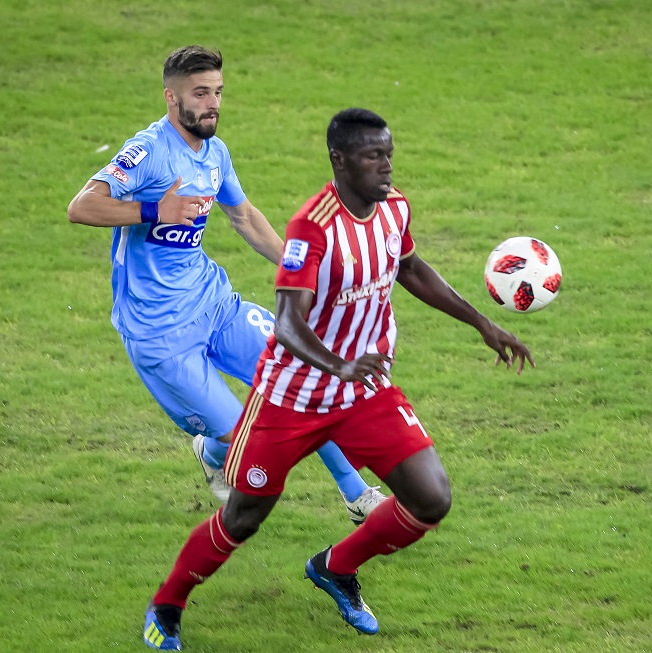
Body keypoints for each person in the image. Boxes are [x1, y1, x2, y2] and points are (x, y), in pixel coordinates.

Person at [141, 107, 534, 651]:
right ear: (340, 160)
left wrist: (481, 323)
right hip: (291, 397)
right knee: (244, 516)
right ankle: (167, 605)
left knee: (431, 498)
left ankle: (335, 567)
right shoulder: (312, 227)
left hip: (363, 392)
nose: (387, 166)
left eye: (389, 154)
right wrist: (340, 365)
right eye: (374, 156)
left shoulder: (394, 208)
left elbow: (411, 269)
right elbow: (287, 322)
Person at [66, 46, 385, 524]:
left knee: (305, 376)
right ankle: (215, 451)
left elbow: (244, 217)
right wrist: (155, 210)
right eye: (200, 93)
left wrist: (305, 270)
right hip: (161, 334)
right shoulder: (148, 152)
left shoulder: (215, 153)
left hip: (214, 305)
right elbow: (81, 207)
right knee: (253, 442)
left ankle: (358, 496)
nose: (212, 103)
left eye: (217, 92)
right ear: (171, 98)